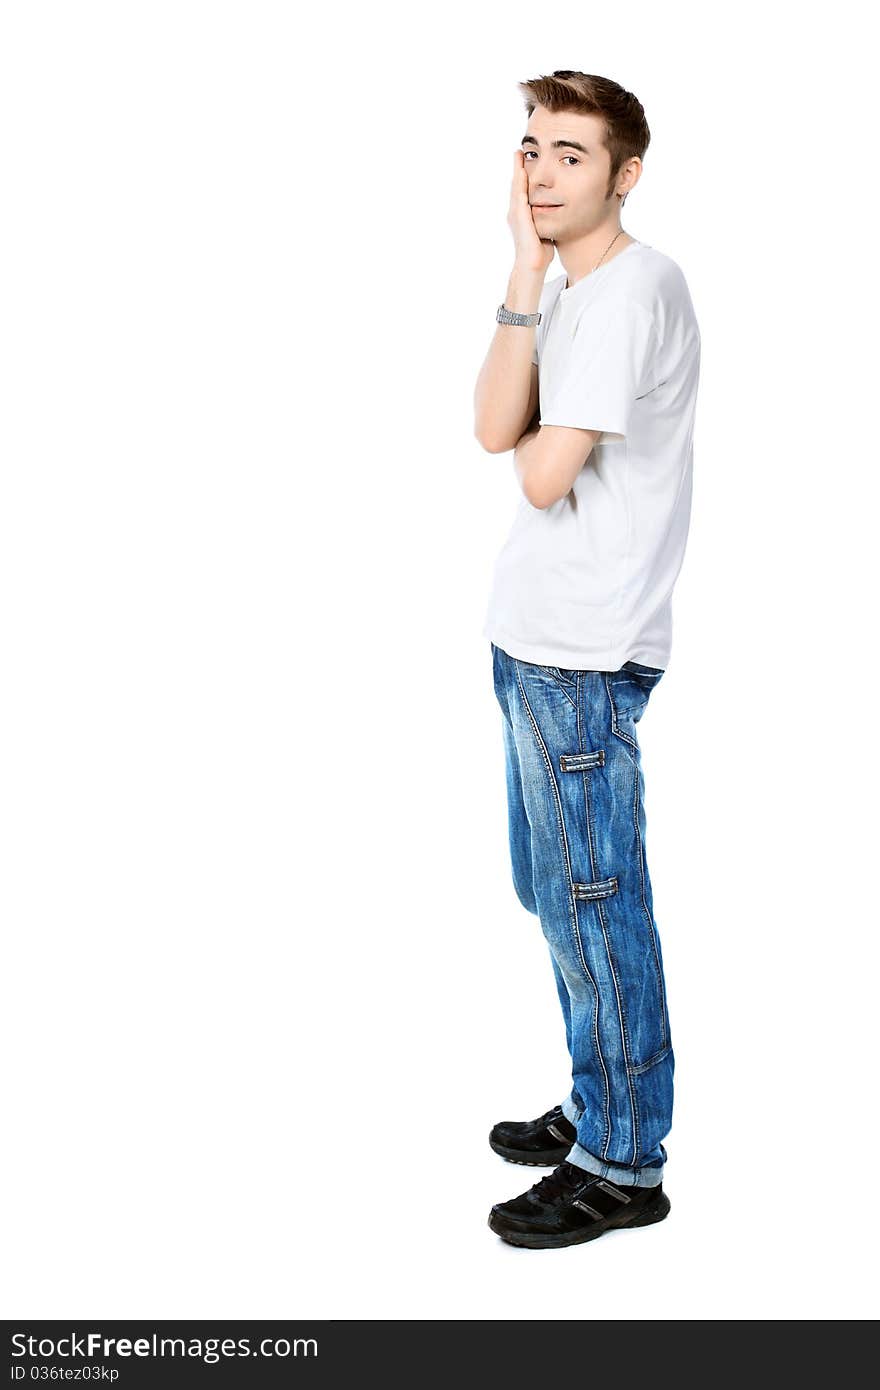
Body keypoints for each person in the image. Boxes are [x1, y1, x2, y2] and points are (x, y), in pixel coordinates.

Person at [474, 71, 701, 1250]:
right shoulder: (570, 288)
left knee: (598, 908)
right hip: (536, 639)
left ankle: (624, 1162)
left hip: (581, 652)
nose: (542, 173)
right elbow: (491, 421)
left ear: (626, 171)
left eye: (570, 153)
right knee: (558, 897)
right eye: (530, 149)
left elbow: (538, 471)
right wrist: (521, 274)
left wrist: (540, 297)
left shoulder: (627, 293)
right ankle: (598, 1094)